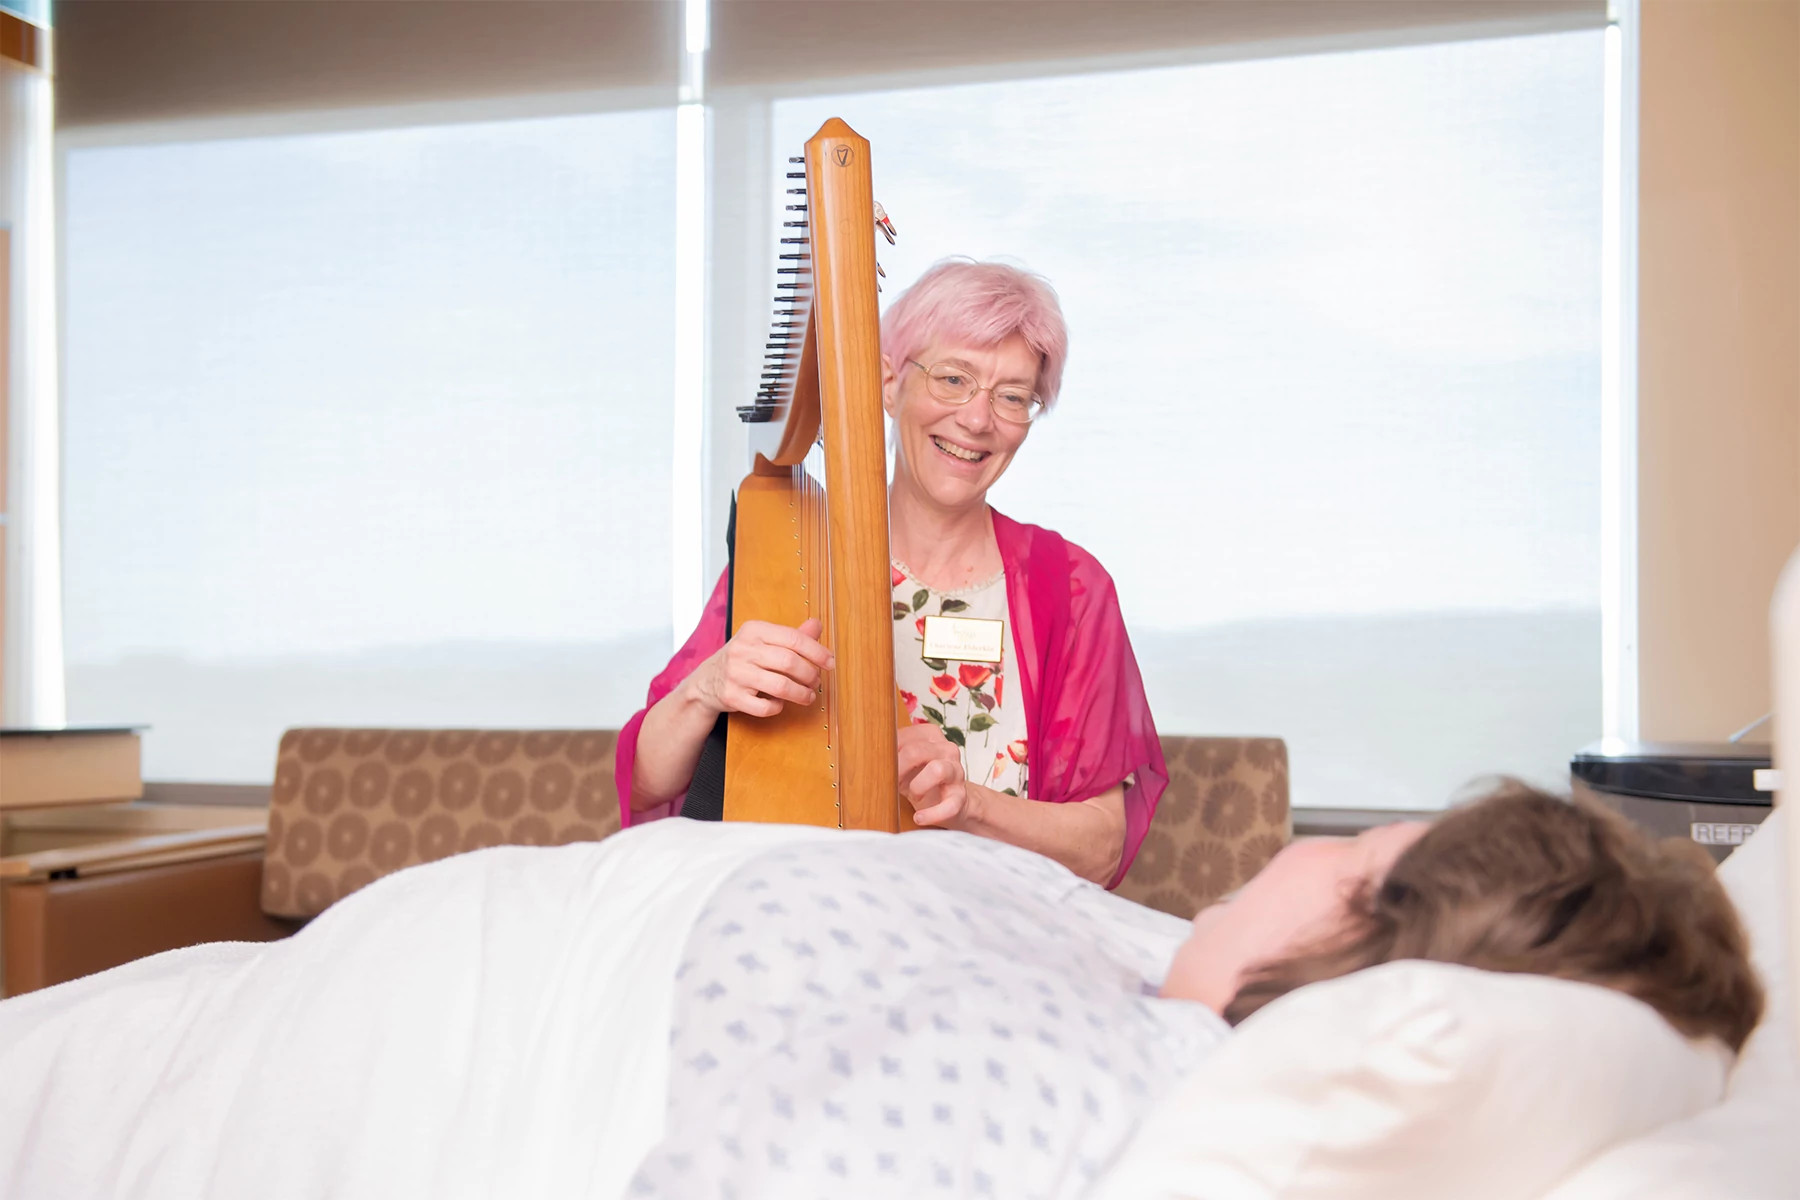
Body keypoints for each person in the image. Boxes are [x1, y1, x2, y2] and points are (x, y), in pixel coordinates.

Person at [617, 258, 1165, 888]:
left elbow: (1100, 848)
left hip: (994, 935)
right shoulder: (795, 556)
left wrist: (970, 804)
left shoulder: (1070, 588)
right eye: (953, 379)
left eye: (1012, 397)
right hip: (812, 918)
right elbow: (647, 779)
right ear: (886, 382)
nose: (978, 420)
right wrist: (704, 689)